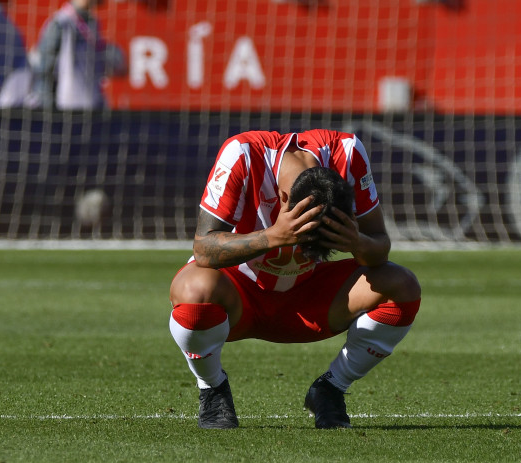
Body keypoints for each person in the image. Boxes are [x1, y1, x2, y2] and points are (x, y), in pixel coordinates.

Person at [169, 129, 422, 429]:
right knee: (194, 290)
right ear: (283, 198)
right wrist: (272, 237)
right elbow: (203, 250)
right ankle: (212, 389)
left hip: (310, 299)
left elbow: (380, 246)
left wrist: (356, 242)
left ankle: (330, 389)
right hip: (241, 297)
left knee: (402, 286)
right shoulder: (242, 153)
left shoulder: (349, 152)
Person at [27, 0, 127, 110]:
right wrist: (47, 110)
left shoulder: (92, 23)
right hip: (67, 109)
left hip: (91, 107)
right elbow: (44, 70)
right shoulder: (60, 23)